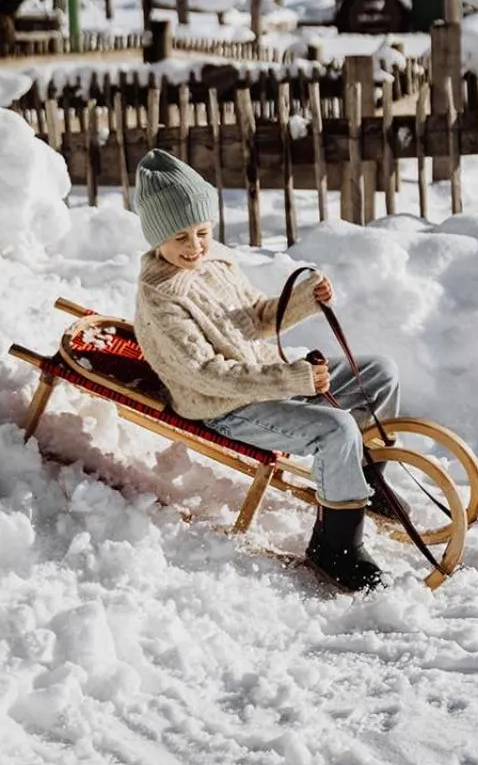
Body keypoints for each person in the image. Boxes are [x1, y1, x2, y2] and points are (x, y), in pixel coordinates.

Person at [132, 148, 399, 592]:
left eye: (201, 231)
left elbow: (253, 315)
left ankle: (363, 479)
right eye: (181, 237)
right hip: (223, 404)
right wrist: (292, 379)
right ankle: (336, 546)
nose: (195, 247)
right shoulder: (161, 294)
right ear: (156, 236)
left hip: (261, 378)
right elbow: (206, 372)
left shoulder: (214, 261)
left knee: (380, 372)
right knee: (335, 430)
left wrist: (306, 300)